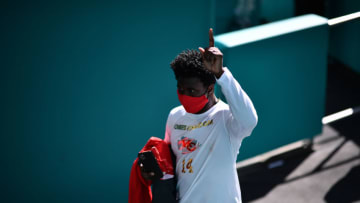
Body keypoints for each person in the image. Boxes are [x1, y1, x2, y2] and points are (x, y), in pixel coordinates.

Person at [142, 28, 258, 203]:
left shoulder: (226, 117)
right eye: (181, 90)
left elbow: (250, 120)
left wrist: (221, 75)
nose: (185, 95)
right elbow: (169, 163)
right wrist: (152, 171)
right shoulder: (175, 116)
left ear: (209, 89)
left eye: (192, 91)